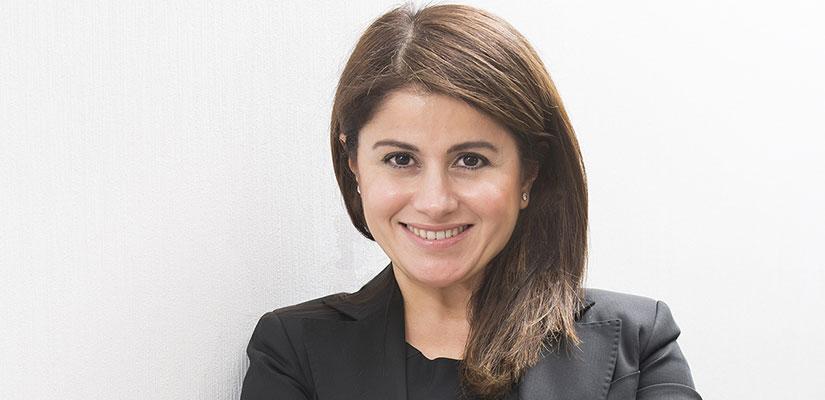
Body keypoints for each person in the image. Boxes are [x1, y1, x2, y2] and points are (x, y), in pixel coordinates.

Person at [240, 3, 700, 400]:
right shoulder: (294, 351)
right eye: (401, 159)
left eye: (471, 160)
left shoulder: (639, 343)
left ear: (529, 172)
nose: (435, 202)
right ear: (355, 165)